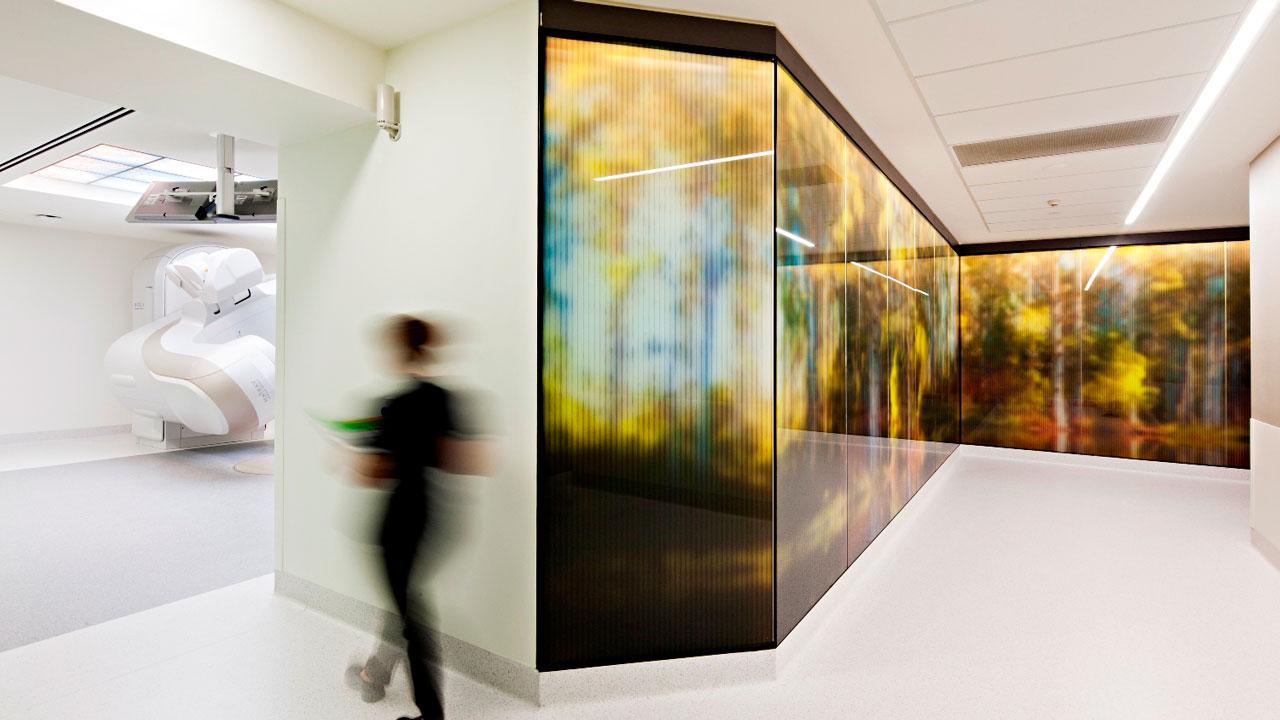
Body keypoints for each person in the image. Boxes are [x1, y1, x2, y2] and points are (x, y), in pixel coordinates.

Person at [342, 315, 488, 720]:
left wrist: (365, 445)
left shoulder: (392, 406)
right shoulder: (446, 398)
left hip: (397, 522)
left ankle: (431, 713)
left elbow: (370, 474)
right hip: (435, 518)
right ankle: (375, 674)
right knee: (404, 602)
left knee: (411, 617)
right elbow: (469, 460)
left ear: (397, 349)